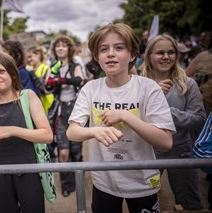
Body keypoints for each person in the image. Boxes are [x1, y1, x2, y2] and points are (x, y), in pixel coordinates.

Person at [66, 23, 175, 213]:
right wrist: (94, 130)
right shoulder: (90, 89)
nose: (110, 54)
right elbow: (72, 132)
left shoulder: (148, 88)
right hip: (103, 182)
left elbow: (165, 142)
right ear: (97, 57)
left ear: (132, 55)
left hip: (143, 182)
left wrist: (125, 115)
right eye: (103, 49)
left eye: (119, 47)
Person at [0, 52, 53, 213]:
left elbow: (47, 135)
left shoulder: (27, 96)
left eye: (1, 71)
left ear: (13, 74)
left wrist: (13, 130)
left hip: (29, 172)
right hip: (0, 176)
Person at [140, 33, 206, 210]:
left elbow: (199, 120)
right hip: (148, 153)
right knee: (145, 201)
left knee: (190, 203)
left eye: (171, 52)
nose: (166, 57)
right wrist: (152, 96)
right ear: (149, 55)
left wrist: (167, 112)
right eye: (160, 52)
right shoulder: (137, 84)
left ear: (177, 55)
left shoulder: (188, 83)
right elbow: (129, 119)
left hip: (181, 151)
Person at [45, 35, 84, 197]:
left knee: (76, 150)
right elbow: (47, 86)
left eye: (63, 45)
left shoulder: (75, 65)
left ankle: (77, 178)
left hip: (75, 110)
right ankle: (66, 184)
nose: (60, 48)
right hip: (60, 112)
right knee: (63, 152)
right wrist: (51, 82)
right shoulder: (53, 66)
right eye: (57, 46)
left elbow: (79, 80)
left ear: (69, 48)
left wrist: (60, 80)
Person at [26, 46, 54, 113]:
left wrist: (32, 74)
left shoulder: (46, 68)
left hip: (47, 105)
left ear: (38, 55)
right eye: (27, 57)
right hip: (34, 105)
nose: (28, 60)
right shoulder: (28, 68)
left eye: (30, 57)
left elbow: (44, 88)